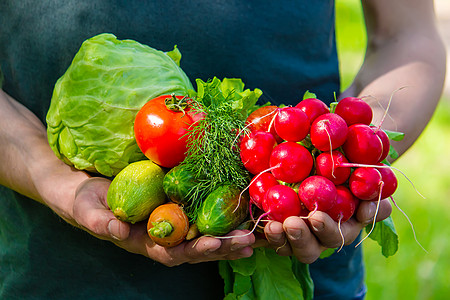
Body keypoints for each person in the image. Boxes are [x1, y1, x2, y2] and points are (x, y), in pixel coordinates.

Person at [0, 0, 445, 299]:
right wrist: (46, 173)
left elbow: (407, 38)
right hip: (53, 272)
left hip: (302, 235)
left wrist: (349, 156)